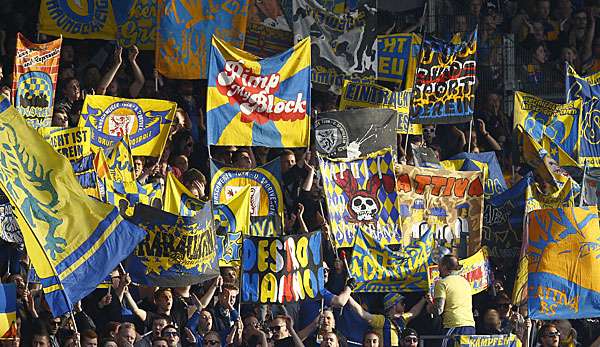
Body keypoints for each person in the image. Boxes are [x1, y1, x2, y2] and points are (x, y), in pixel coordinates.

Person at [347, 292, 429, 347]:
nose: (404, 305)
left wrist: (424, 298)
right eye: (401, 303)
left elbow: (413, 312)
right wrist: (347, 295)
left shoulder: (402, 319)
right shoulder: (381, 320)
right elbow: (363, 314)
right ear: (393, 305)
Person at [433, 255, 475, 347]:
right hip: (470, 326)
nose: (438, 268)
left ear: (444, 266)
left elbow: (438, 310)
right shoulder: (465, 282)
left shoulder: (442, 283)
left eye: (439, 265)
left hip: (454, 326)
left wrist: (430, 306)